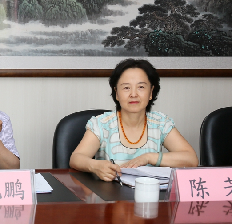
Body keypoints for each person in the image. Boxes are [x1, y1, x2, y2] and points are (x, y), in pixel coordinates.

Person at [69, 58, 197, 181]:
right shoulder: (102, 124)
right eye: (126, 88)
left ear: (151, 92)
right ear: (116, 93)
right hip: (108, 193)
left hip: (150, 194)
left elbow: (191, 159)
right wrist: (95, 166)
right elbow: (76, 158)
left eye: (141, 87)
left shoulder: (160, 123)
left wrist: (149, 157)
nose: (133, 94)